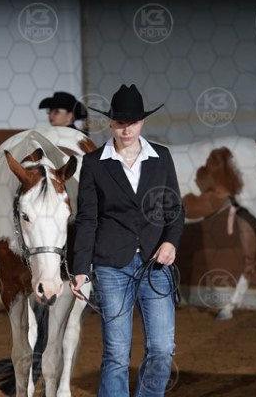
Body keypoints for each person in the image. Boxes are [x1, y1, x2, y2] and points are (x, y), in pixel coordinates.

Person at [70, 84, 185, 397]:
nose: (127, 129)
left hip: (155, 265)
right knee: (117, 354)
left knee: (162, 348)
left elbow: (175, 210)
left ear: (142, 122)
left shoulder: (161, 157)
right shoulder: (94, 163)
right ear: (111, 123)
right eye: (121, 123)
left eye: (133, 122)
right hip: (111, 266)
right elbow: (87, 219)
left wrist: (171, 242)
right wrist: (80, 268)